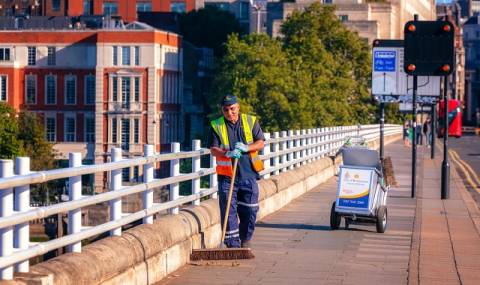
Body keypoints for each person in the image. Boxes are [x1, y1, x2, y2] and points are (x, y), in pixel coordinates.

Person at [210, 95, 265, 248]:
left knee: (250, 209)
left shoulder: (250, 121)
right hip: (227, 176)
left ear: (238, 107)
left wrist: (247, 147)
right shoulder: (217, 125)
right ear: (222, 110)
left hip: (248, 174)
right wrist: (227, 153)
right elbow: (213, 149)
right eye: (226, 110)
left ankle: (245, 239)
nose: (229, 113)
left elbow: (260, 142)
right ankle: (232, 245)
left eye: (232, 109)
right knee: (229, 211)